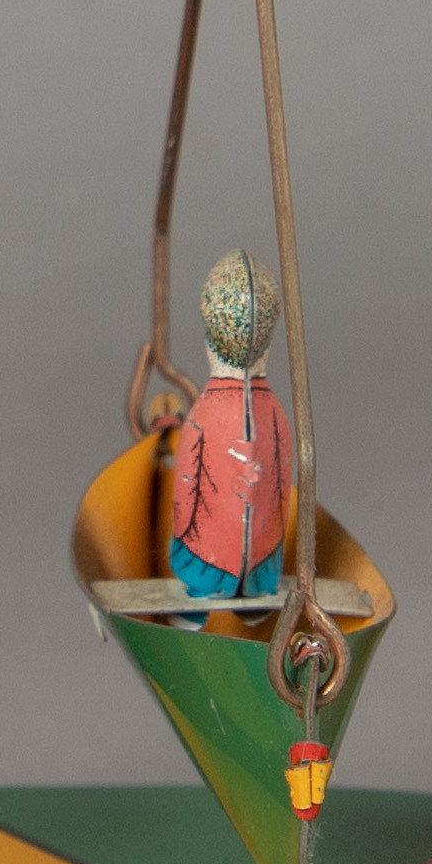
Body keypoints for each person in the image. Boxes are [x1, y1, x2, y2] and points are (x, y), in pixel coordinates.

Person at [165, 247, 293, 602]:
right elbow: (281, 495)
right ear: (266, 348)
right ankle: (258, 579)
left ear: (210, 343)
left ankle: (208, 581)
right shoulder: (275, 414)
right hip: (263, 562)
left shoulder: (205, 415)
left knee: (196, 552)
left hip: (207, 559)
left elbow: (186, 492)